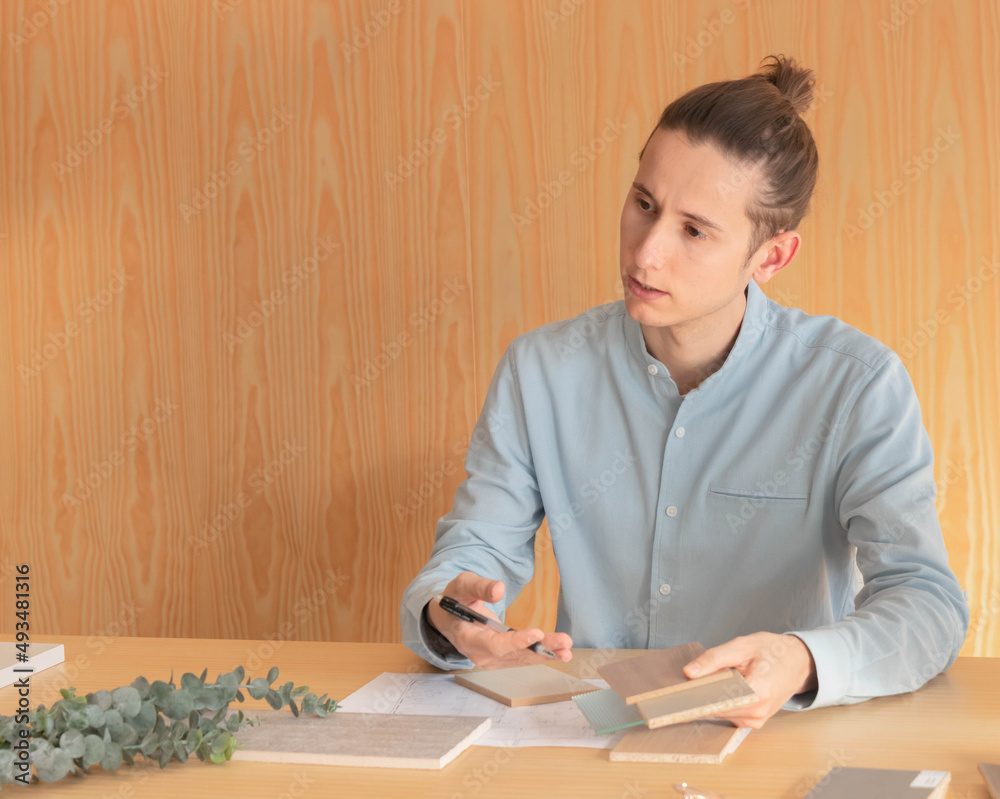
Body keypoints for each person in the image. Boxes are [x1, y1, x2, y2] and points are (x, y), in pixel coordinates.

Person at [399, 55, 969, 729]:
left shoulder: (856, 384)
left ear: (772, 256)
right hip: (591, 742)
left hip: (777, 741)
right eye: (643, 204)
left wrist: (802, 659)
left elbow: (926, 604)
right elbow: (471, 558)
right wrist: (451, 615)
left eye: (694, 230)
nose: (646, 253)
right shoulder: (540, 371)